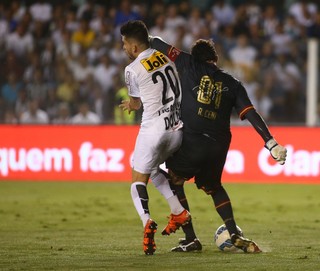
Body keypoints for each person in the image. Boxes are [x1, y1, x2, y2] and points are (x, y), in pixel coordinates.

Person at [149, 36, 287, 253]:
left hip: (192, 141)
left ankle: (191, 239)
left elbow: (158, 43)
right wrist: (271, 143)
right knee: (214, 187)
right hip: (219, 146)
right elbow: (250, 113)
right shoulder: (233, 83)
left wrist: (140, 37)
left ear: (196, 58)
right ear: (215, 58)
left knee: (174, 180)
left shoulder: (187, 62)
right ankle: (233, 233)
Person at [119, 20, 191, 255]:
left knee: (136, 181)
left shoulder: (131, 69)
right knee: (145, 167)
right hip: (176, 131)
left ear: (134, 47)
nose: (123, 49)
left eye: (124, 44)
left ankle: (146, 222)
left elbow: (138, 102)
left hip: (153, 131)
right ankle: (178, 211)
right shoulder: (165, 58)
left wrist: (131, 104)